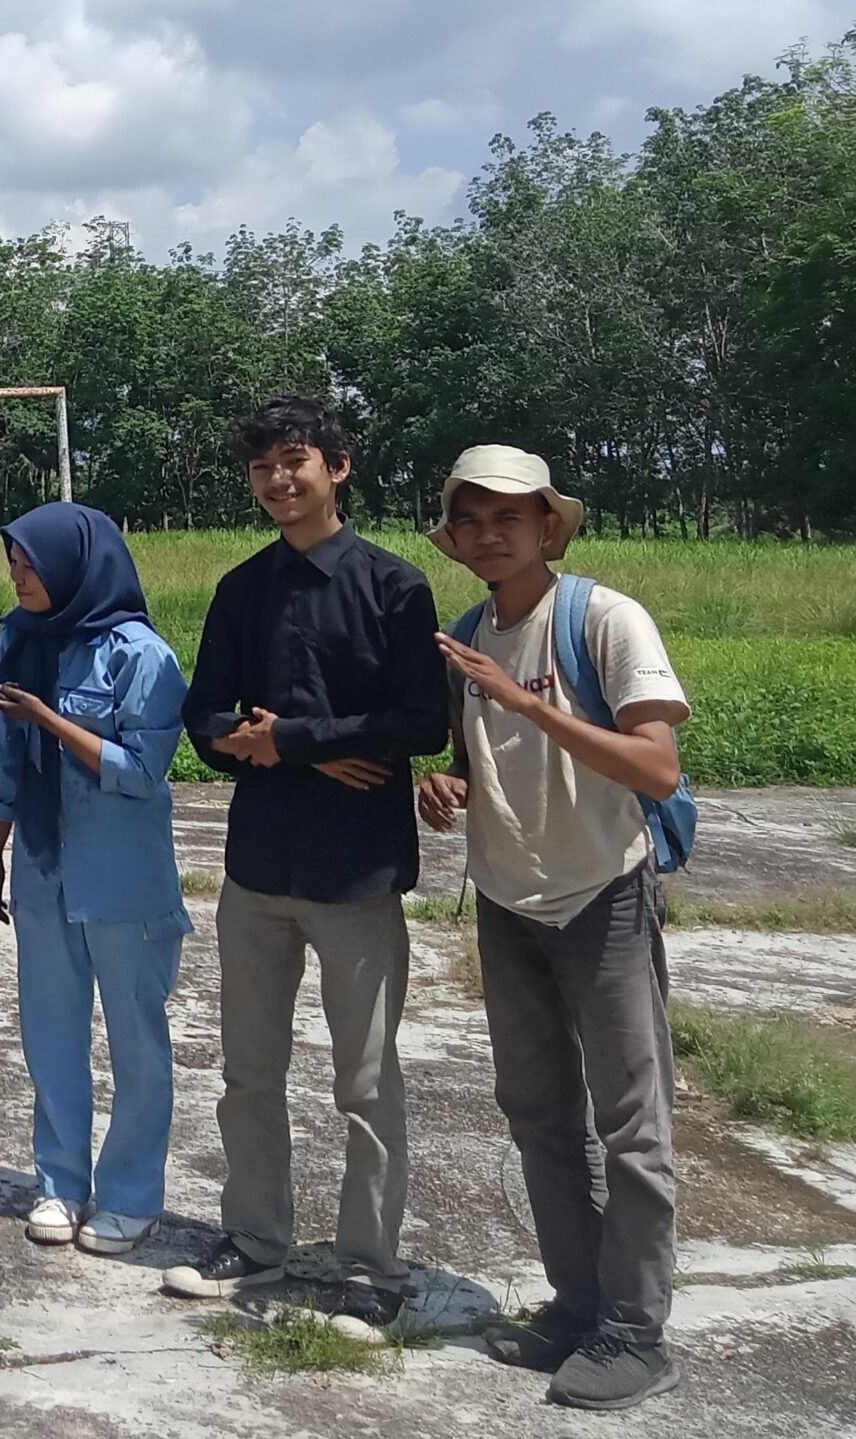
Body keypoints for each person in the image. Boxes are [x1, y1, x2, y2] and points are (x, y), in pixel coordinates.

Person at [417, 446, 690, 1411]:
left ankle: (636, 1328)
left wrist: (514, 694)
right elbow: (471, 756)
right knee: (538, 1116)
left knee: (632, 1123)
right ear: (454, 537)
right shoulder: (464, 636)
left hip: (604, 894)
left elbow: (655, 768)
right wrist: (443, 784)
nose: (489, 534)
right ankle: (579, 1306)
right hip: (507, 900)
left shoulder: (603, 620)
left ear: (547, 527)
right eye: (471, 519)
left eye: (509, 517)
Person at [166, 396, 447, 1327]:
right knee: (248, 1072)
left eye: (295, 462)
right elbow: (206, 721)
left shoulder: (395, 586)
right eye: (263, 469)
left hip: (357, 872)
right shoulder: (241, 590)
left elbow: (420, 721)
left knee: (365, 1082)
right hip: (257, 869)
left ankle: (370, 1263)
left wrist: (289, 736)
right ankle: (255, 1240)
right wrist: (293, 746)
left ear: (338, 466)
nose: (279, 481)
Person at [0, 503, 188, 1256]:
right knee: (51, 1034)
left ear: (76, 565)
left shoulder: (141, 655)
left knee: (135, 1040)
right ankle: (59, 1181)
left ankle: (131, 1194)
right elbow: (7, 757)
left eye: (32, 563)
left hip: (122, 877)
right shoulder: (18, 637)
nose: (20, 576)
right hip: (42, 866)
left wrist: (54, 720)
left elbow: (142, 770)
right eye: (14, 563)